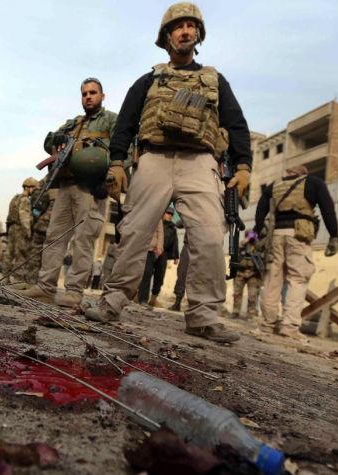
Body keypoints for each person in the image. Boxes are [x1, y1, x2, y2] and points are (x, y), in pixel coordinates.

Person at [84, 2, 252, 343]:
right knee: (134, 231)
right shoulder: (149, 80)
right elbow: (126, 124)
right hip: (154, 160)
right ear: (167, 36)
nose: (186, 31)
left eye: (191, 26)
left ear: (198, 35)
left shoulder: (216, 81)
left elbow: (236, 124)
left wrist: (244, 166)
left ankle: (203, 316)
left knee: (209, 235)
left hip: (200, 163)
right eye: (179, 26)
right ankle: (112, 302)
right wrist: (117, 163)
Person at [19, 78, 118, 307]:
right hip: (66, 185)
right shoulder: (73, 123)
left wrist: (109, 178)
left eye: (93, 93)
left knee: (84, 240)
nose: (88, 97)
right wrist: (57, 139)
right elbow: (49, 142)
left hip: (91, 187)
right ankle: (45, 287)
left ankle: (74, 292)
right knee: (54, 236)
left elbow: (123, 148)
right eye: (84, 94)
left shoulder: (111, 120)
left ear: (102, 96)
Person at [254, 165, 338, 338]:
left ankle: (267, 324)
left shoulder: (274, 185)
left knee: (272, 279)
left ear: (289, 173)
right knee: (298, 279)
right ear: (304, 174)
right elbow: (327, 208)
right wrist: (334, 235)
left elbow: (260, 210)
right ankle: (289, 326)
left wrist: (257, 232)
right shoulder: (313, 182)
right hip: (298, 236)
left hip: (276, 236)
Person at [3, 177, 38, 282]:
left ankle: (5, 277)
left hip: (11, 228)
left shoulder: (15, 198)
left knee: (9, 253)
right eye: (34, 188)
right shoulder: (25, 200)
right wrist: (28, 231)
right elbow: (24, 216)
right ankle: (18, 279)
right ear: (29, 187)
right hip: (20, 229)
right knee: (21, 254)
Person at [145, 207, 179, 307]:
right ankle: (141, 296)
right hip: (152, 250)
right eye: (168, 213)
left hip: (164, 254)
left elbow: (175, 242)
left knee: (159, 276)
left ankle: (153, 298)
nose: (170, 215)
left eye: (171, 214)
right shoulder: (157, 223)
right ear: (163, 213)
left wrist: (176, 256)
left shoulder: (172, 228)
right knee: (147, 273)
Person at [24, 185, 57, 284]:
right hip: (55, 228)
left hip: (41, 225)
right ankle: (42, 283)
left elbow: (35, 211)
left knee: (35, 255)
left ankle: (31, 281)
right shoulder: (66, 189)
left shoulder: (47, 187)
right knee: (49, 257)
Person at [230, 230, 263, 320]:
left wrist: (256, 240)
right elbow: (235, 249)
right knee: (237, 293)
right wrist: (246, 240)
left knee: (252, 295)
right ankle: (235, 312)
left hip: (253, 273)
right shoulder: (242, 244)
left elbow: (262, 249)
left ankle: (251, 314)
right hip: (240, 272)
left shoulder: (257, 246)